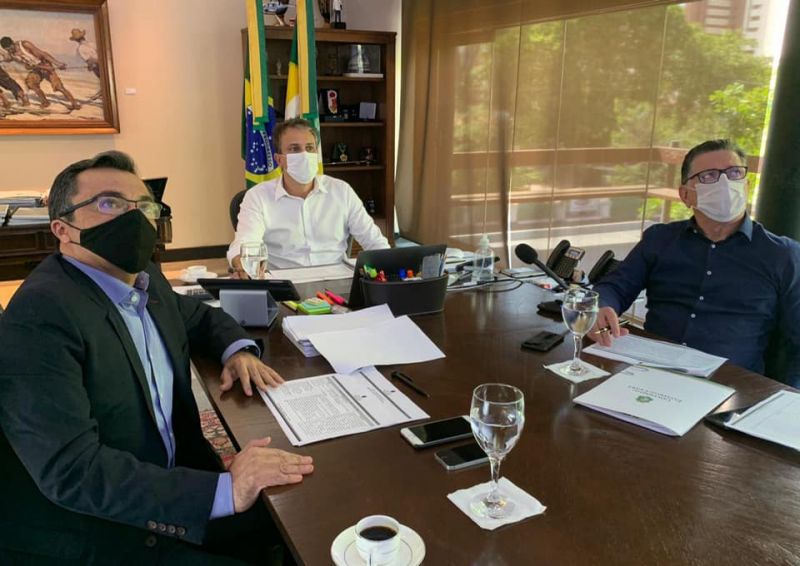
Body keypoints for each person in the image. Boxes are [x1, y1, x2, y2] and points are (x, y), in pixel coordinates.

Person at [0, 151, 314, 564]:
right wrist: (225, 489)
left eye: (145, 206)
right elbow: (72, 471)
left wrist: (237, 350)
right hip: (100, 529)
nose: (134, 218)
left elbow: (199, 317)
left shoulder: (145, 278)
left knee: (306, 516)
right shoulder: (41, 316)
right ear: (62, 228)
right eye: (109, 203)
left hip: (167, 479)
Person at [590, 139, 800, 386]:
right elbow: (616, 286)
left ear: (747, 185)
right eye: (709, 176)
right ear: (685, 195)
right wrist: (600, 306)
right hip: (650, 371)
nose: (725, 183)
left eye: (734, 173)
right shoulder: (660, 239)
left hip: (731, 387)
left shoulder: (783, 255)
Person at [228, 117, 389, 274]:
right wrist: (241, 262)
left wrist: (392, 267)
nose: (304, 154)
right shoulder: (258, 196)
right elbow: (246, 242)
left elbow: (374, 241)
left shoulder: (341, 191)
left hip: (336, 280)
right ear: (279, 159)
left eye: (310, 148)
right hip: (285, 282)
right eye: (294, 149)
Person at [0, 35, 80, 110]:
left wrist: (58, 64)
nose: (10, 51)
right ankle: (45, 102)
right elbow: (15, 61)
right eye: (7, 50)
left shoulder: (24, 44)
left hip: (45, 65)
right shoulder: (12, 54)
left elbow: (43, 54)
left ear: (13, 43)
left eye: (10, 48)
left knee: (58, 87)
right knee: (31, 83)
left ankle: (74, 103)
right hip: (36, 69)